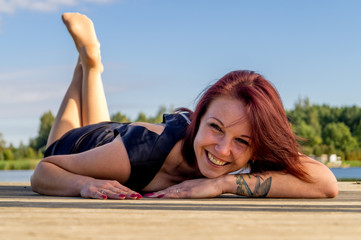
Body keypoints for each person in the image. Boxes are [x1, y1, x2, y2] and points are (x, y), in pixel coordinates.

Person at [30, 12, 338, 200]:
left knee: (110, 134)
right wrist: (84, 184)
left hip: (116, 141)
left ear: (257, 147)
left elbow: (326, 183)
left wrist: (225, 184)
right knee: (56, 144)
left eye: (242, 141)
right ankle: (87, 64)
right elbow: (43, 171)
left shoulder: (241, 147)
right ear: (199, 118)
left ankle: (90, 65)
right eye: (215, 128)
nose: (222, 150)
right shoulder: (138, 154)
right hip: (86, 144)